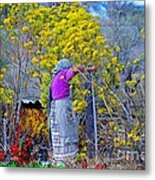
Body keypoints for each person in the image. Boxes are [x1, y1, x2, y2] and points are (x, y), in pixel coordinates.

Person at [48, 59, 96, 167]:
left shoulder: (54, 78)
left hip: (56, 107)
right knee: (66, 129)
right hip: (62, 106)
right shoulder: (63, 74)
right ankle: (67, 159)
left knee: (60, 132)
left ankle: (60, 158)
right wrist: (88, 69)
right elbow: (75, 70)